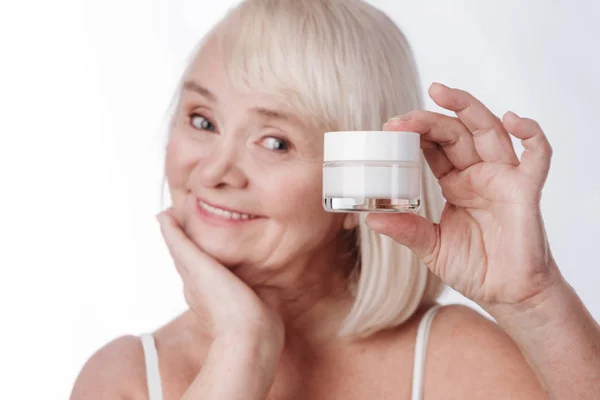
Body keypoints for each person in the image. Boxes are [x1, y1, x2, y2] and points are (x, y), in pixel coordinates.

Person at [70, 0, 600, 399]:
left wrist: (533, 300)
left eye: (275, 141)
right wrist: (241, 349)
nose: (214, 171)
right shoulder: (125, 378)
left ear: (360, 182)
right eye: (202, 121)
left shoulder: (457, 363)